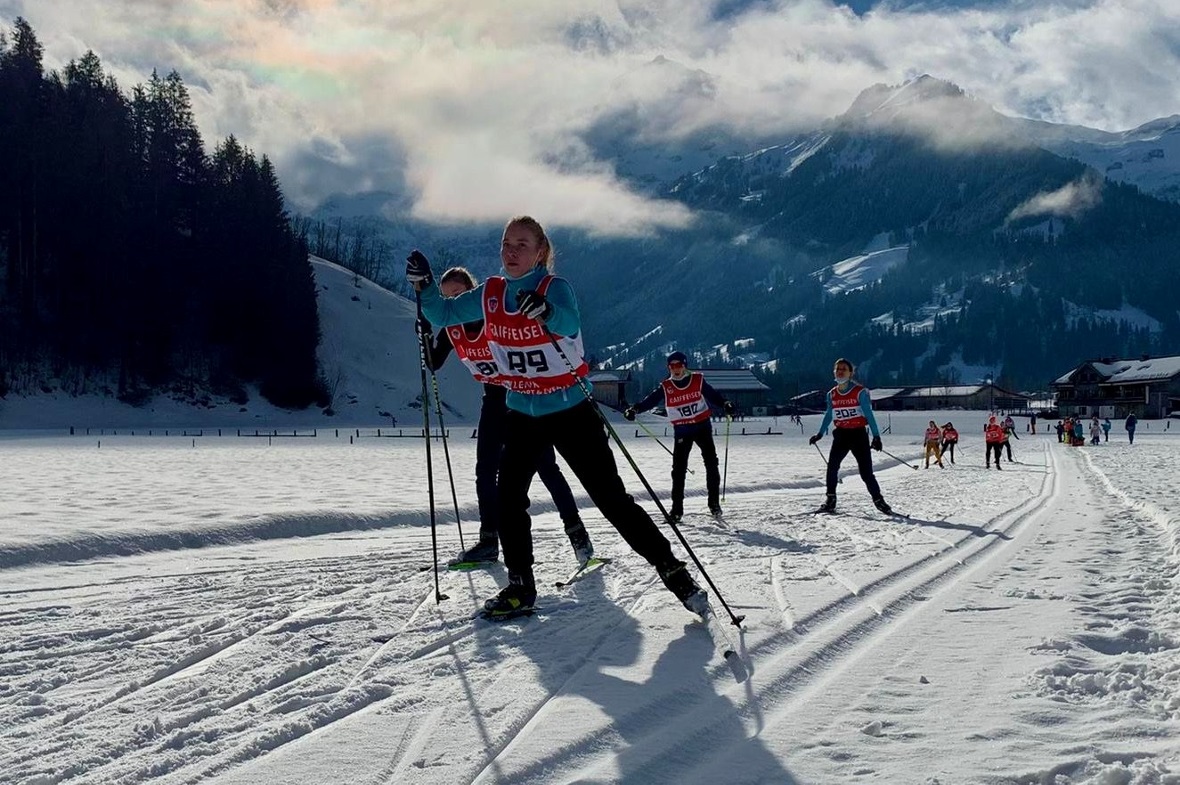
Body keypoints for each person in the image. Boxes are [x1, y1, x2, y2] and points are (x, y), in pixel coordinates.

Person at [408, 216, 707, 618]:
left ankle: (672, 570)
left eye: (522, 244)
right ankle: (519, 587)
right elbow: (442, 315)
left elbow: (569, 321)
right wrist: (424, 286)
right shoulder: (490, 294)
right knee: (508, 498)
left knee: (610, 499)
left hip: (570, 410)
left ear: (540, 253)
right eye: (506, 243)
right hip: (521, 412)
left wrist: (546, 311)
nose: (512, 251)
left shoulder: (554, 288)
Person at [426, 266, 594, 567]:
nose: (454, 301)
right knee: (485, 471)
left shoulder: (494, 319)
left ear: (472, 294)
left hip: (522, 398)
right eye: (448, 297)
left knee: (546, 468)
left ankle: (577, 533)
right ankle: (489, 539)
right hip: (493, 400)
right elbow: (434, 363)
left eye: (460, 295)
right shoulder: (452, 327)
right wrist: (424, 336)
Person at [625, 352, 734, 521]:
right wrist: (635, 409)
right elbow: (651, 401)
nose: (675, 369)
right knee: (678, 470)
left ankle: (714, 504)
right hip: (683, 430)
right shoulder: (666, 386)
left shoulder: (697, 380)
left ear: (685, 366)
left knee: (711, 463)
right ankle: (676, 510)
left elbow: (713, 395)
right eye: (672, 366)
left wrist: (725, 403)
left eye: (679, 365)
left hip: (702, 426)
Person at [807, 358, 892, 514]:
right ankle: (830, 499)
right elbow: (829, 414)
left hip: (858, 435)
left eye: (844, 369)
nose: (840, 371)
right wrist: (819, 434)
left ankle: (879, 501)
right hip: (841, 435)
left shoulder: (859, 392)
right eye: (837, 369)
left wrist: (876, 437)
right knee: (832, 467)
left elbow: (869, 414)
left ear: (851, 373)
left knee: (866, 473)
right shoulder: (831, 394)